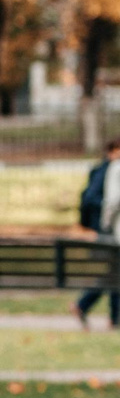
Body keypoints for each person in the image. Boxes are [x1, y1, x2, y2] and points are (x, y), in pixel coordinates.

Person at [76, 135, 120, 328]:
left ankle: (86, 306)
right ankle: (110, 316)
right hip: (108, 228)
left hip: (110, 226)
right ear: (112, 151)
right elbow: (92, 198)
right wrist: (107, 217)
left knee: (114, 272)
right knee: (115, 272)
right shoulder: (106, 170)